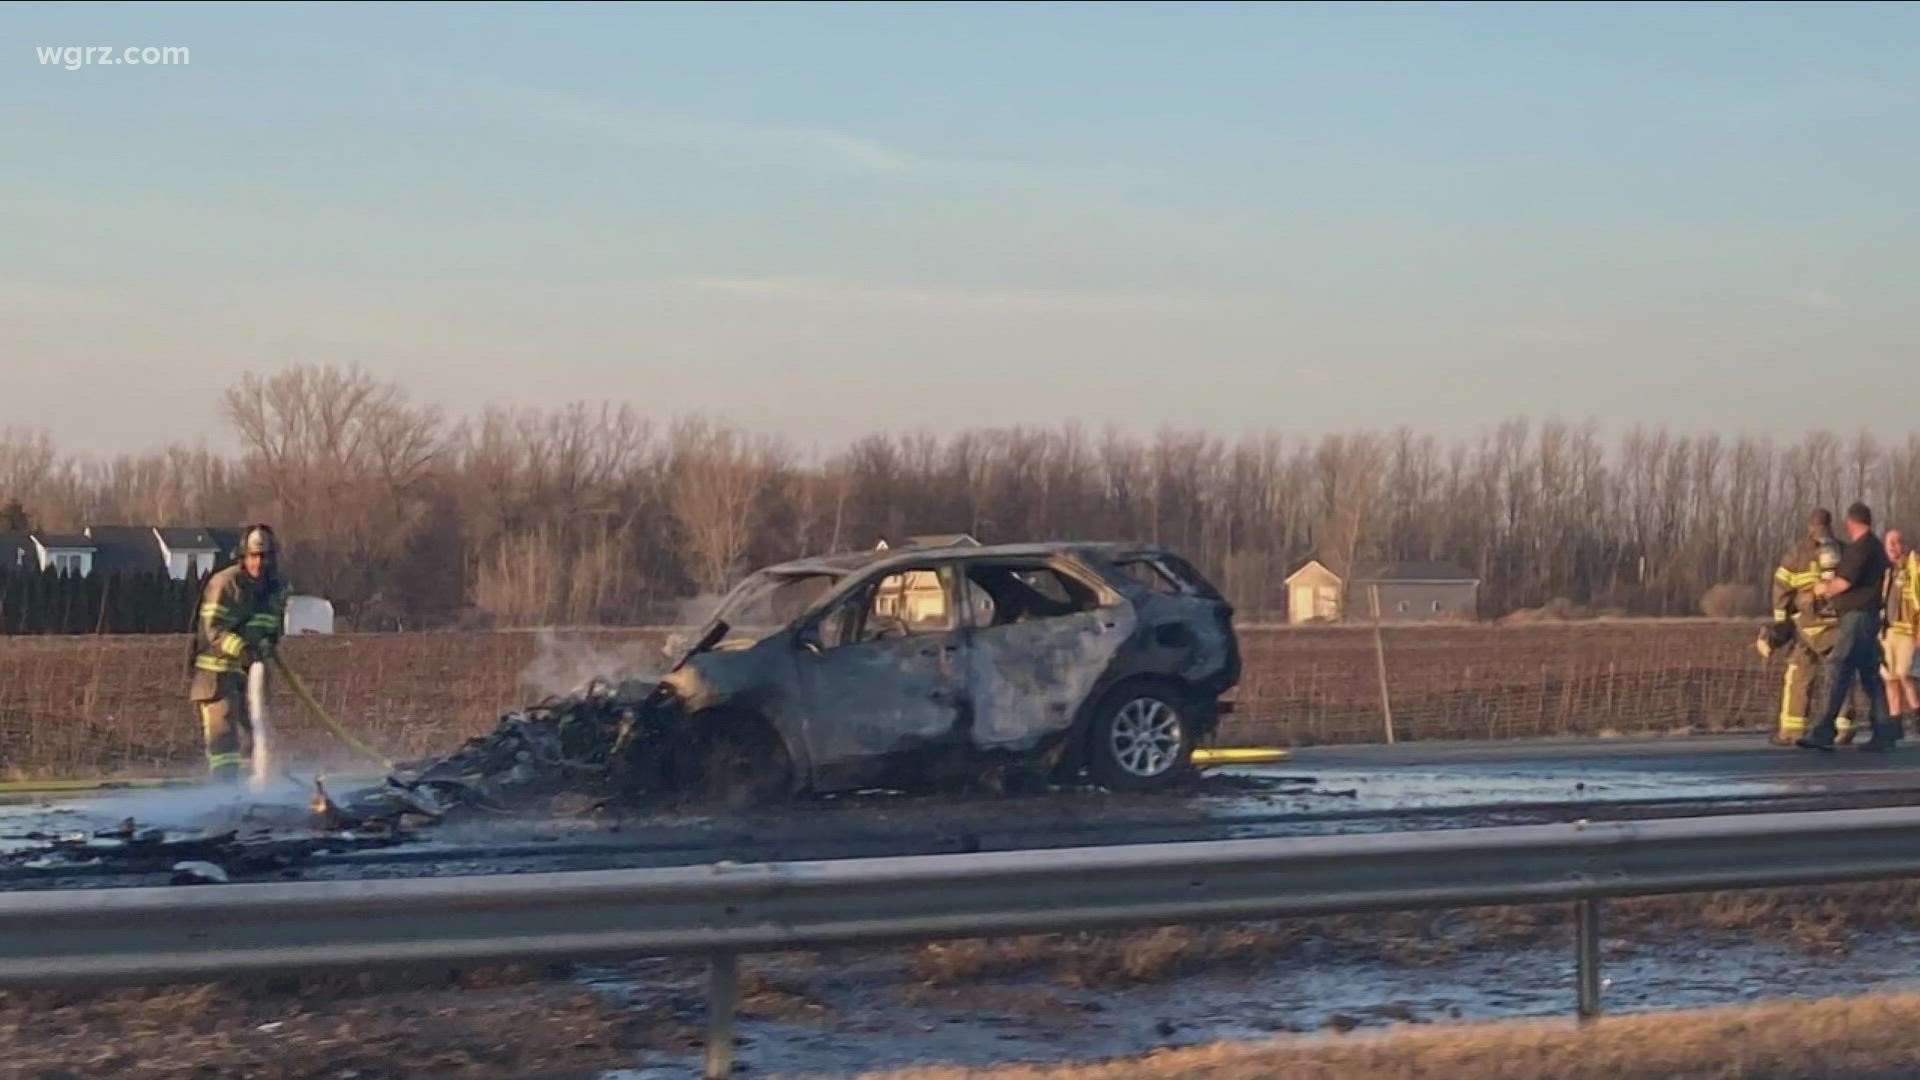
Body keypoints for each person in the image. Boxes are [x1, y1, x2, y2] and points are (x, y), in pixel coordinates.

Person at [189, 525, 288, 781]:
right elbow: (212, 630)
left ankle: (256, 793)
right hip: (217, 673)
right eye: (253, 556)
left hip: (253, 672)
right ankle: (226, 796)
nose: (259, 563)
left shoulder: (276, 589)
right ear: (243, 556)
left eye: (264, 557)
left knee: (259, 736)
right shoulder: (224, 584)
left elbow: (273, 628)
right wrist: (241, 649)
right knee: (224, 742)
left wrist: (265, 644)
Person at [1798, 503, 1899, 752]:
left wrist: (1818, 591)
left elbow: (1843, 582)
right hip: (1867, 617)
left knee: (1838, 667)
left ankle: (1823, 731)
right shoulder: (1874, 546)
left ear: (1850, 522)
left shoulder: (1861, 548)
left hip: (1857, 618)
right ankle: (1885, 731)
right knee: (1870, 676)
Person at [1766, 509, 1860, 745]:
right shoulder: (1845, 552)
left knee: (1799, 675)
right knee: (1841, 674)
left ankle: (1791, 731)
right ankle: (1844, 726)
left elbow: (1781, 588)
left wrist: (1781, 621)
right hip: (1838, 625)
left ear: (1810, 526)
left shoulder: (1797, 554)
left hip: (1806, 627)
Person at [1882, 529, 1919, 729]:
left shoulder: (1914, 566)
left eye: (1897, 542)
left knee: (1905, 674)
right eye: (1889, 543)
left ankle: (1916, 714)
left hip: (1907, 630)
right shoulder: (1884, 570)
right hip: (1887, 632)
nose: (1893, 547)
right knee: (1890, 678)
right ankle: (1894, 721)